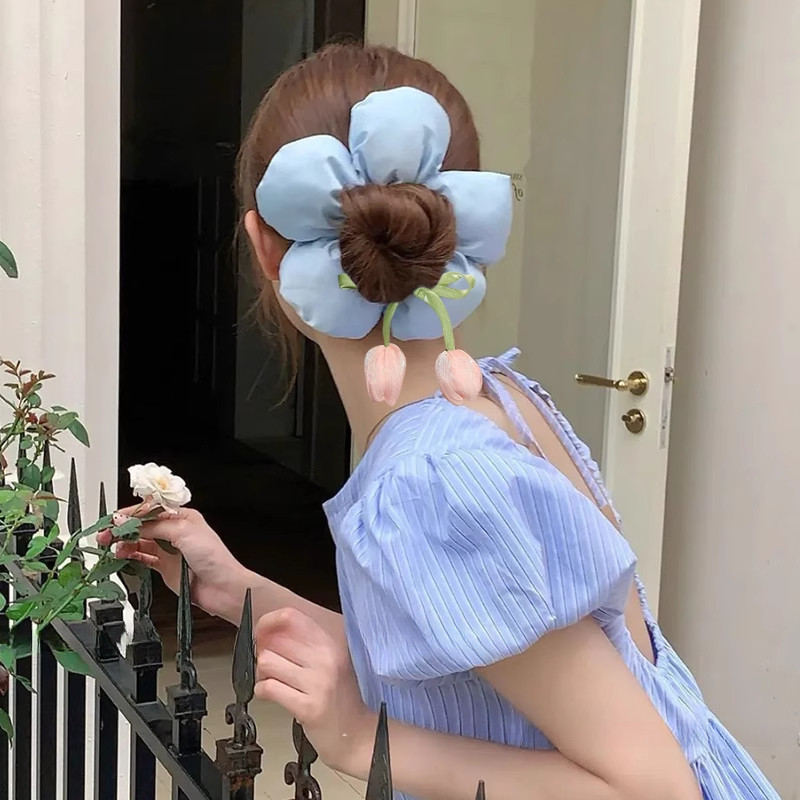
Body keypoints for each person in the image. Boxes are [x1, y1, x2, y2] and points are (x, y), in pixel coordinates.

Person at [105, 43, 779, 800]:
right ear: (455, 232)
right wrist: (236, 589)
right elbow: (458, 669)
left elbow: (655, 790)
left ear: (264, 246)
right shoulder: (493, 399)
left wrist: (360, 738)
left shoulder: (430, 480)